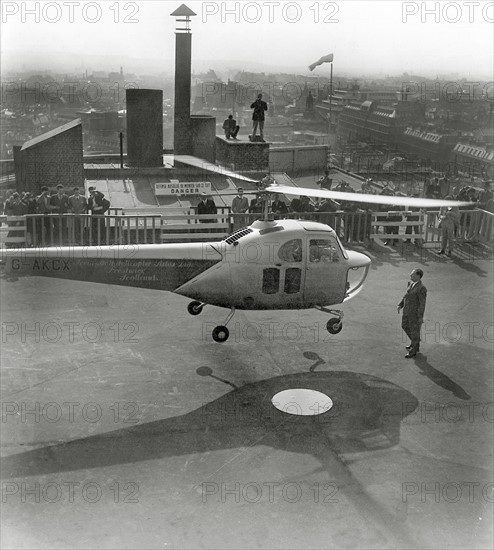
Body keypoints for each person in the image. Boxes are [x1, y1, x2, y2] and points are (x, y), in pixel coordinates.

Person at [397, 268, 427, 358]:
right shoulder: (411, 283)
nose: (410, 276)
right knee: (404, 326)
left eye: (412, 274)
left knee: (414, 331)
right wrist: (400, 304)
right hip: (407, 311)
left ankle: (413, 350)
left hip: (414, 314)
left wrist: (420, 317)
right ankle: (415, 341)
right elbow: (406, 296)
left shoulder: (422, 288)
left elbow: (422, 304)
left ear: (418, 276)